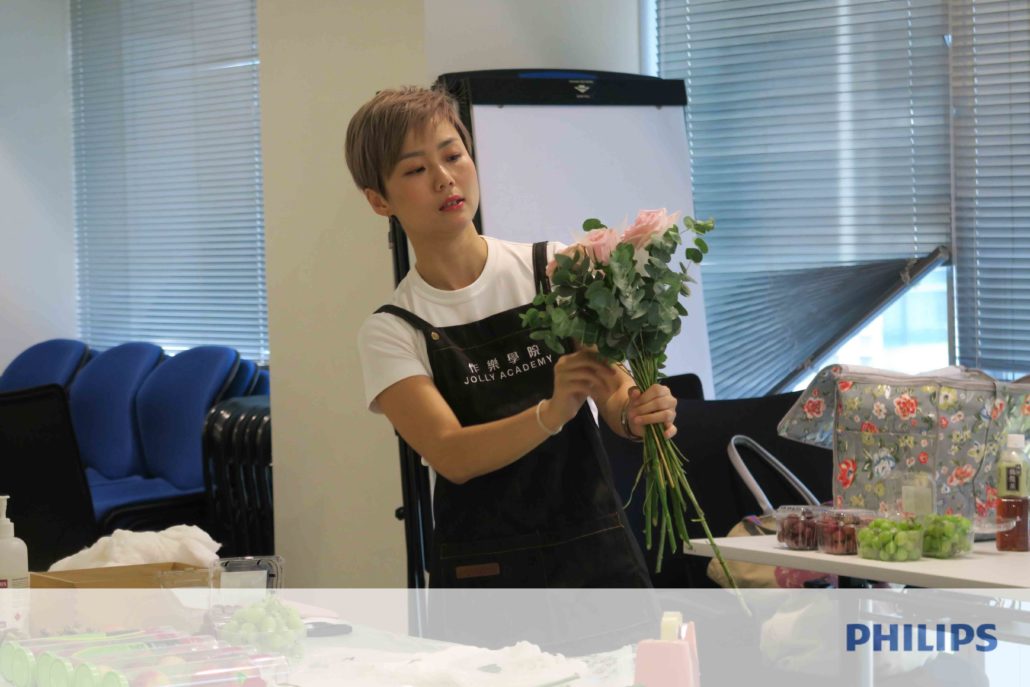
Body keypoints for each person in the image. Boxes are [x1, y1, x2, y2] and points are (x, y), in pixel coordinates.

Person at [347, 85, 679, 591]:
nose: (444, 178)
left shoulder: (552, 269)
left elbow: (610, 387)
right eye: (415, 170)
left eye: (453, 156)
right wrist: (552, 411)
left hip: (595, 551)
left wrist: (635, 414)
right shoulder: (393, 328)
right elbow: (452, 455)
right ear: (378, 200)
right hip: (484, 573)